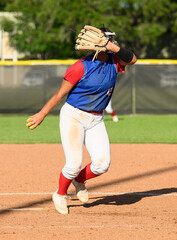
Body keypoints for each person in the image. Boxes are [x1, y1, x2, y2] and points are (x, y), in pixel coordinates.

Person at [26, 25, 137, 214]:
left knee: (102, 165)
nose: (111, 42)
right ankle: (60, 194)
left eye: (111, 39)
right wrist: (42, 113)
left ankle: (79, 180)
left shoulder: (115, 60)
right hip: (74, 116)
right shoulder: (80, 66)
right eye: (107, 39)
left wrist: (113, 48)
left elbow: (133, 59)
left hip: (96, 119)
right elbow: (60, 93)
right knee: (73, 163)